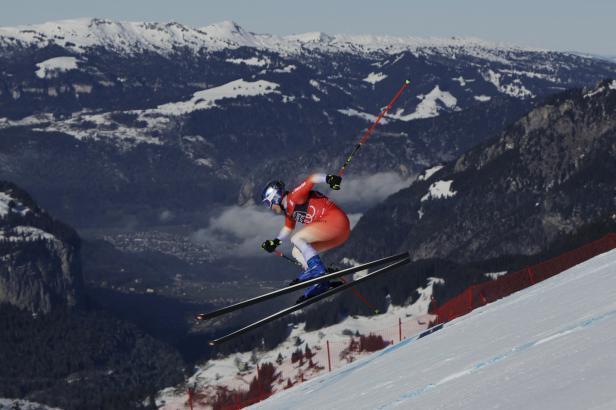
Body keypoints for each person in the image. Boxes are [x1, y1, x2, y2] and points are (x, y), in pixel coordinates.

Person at [261, 173, 349, 302]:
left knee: (296, 239)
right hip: (337, 234)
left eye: (268, 203)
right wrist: (275, 242)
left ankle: (317, 270)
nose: (270, 208)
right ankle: (322, 283)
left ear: (275, 197)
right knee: (296, 251)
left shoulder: (294, 197)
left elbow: (312, 179)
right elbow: (288, 228)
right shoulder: (289, 210)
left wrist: (329, 178)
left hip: (335, 221)